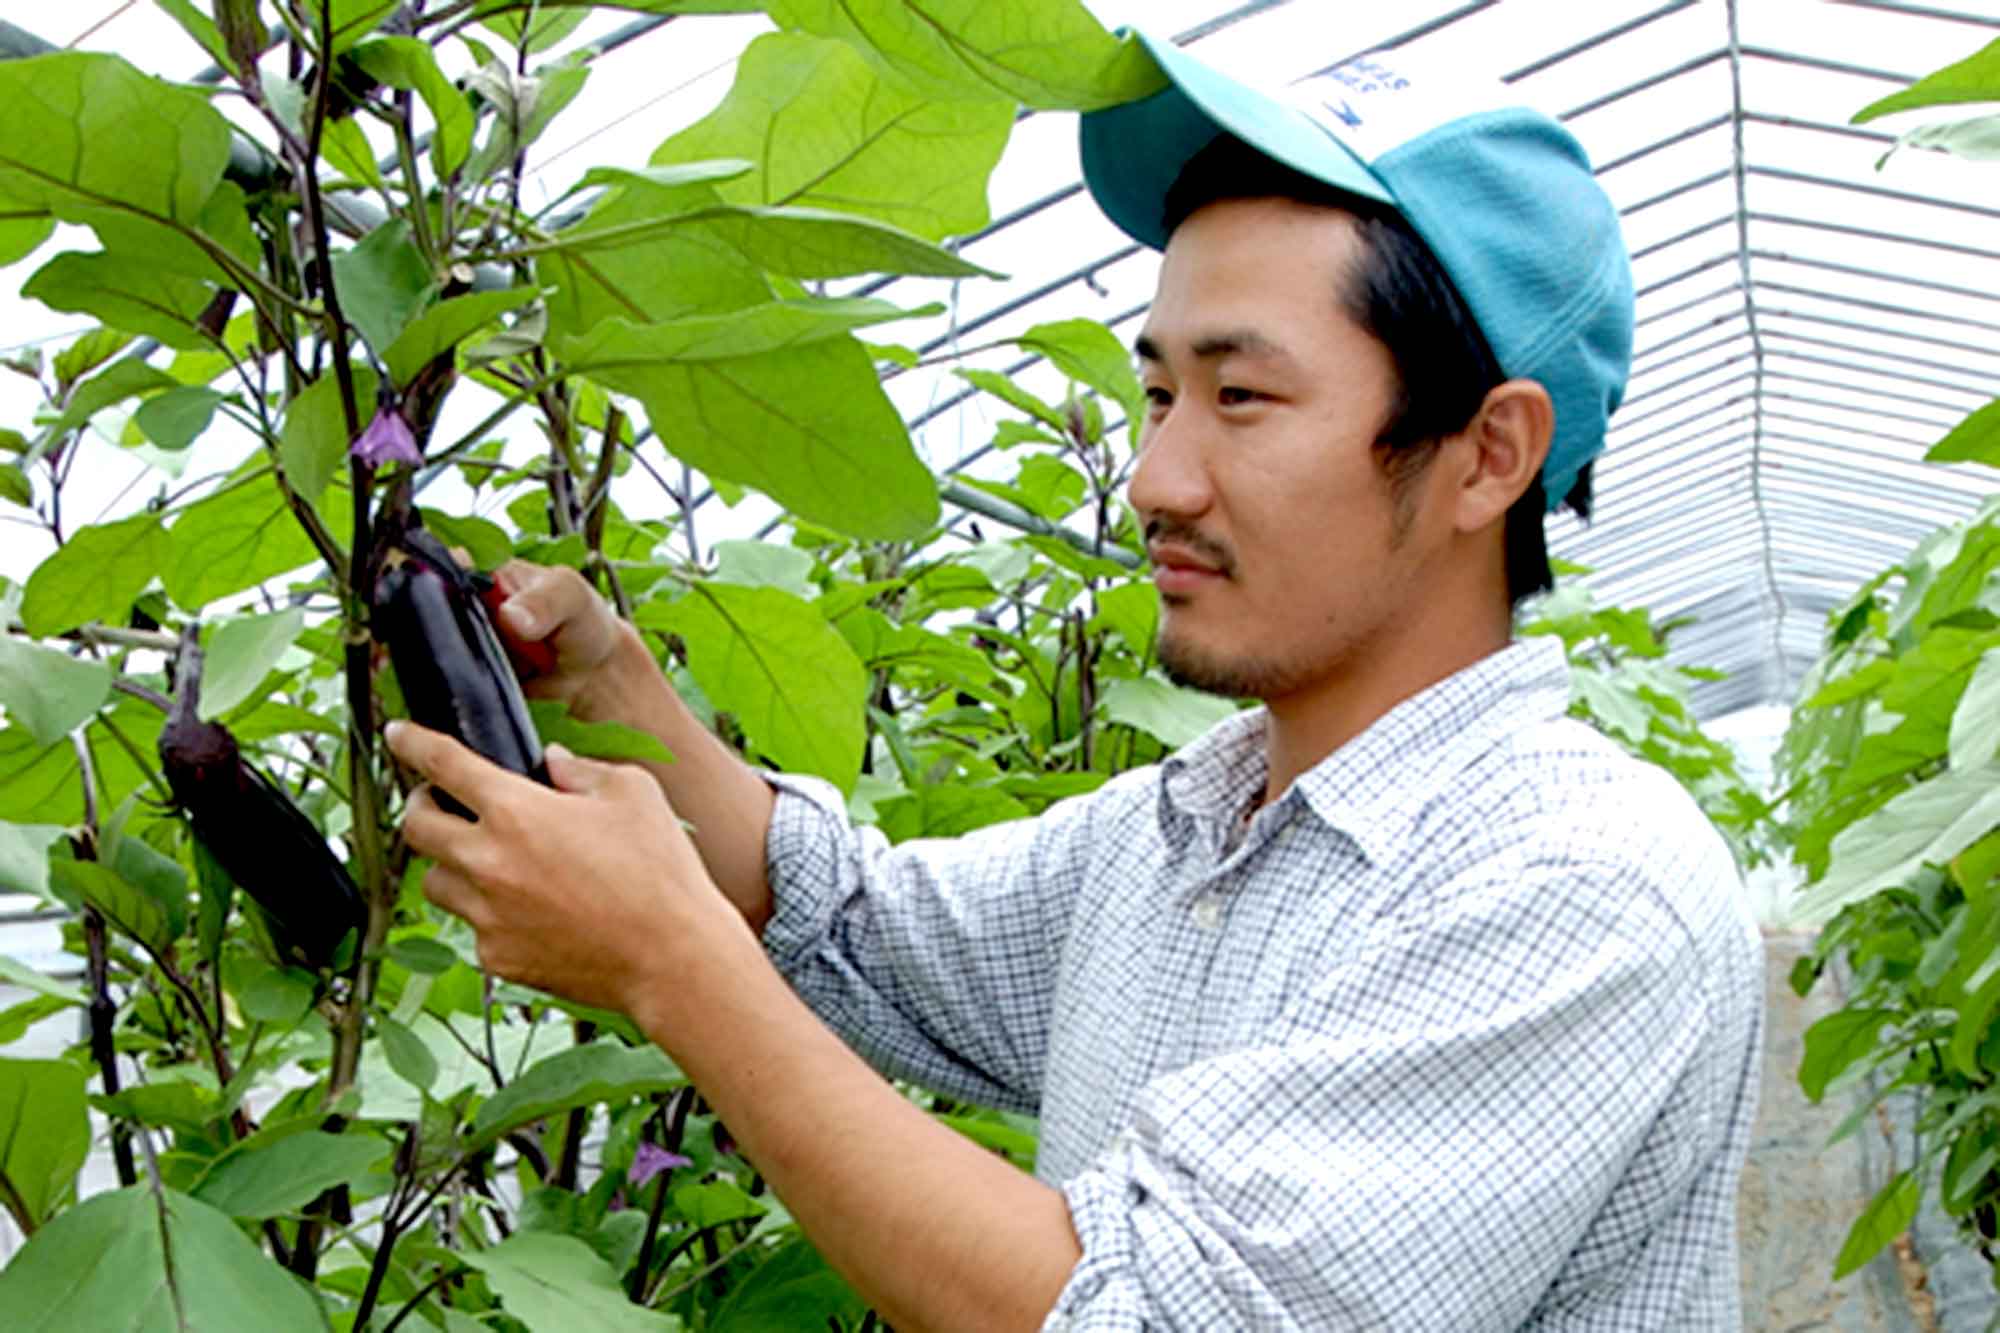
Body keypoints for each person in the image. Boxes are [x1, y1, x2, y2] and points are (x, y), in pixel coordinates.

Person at [387, 28, 1764, 1332]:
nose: (1157, 478)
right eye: (1159, 393)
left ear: (1486, 454)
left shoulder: (1577, 884)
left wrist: (667, 962)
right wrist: (630, 702)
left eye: (1242, 398)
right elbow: (852, 918)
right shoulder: (1188, 827)